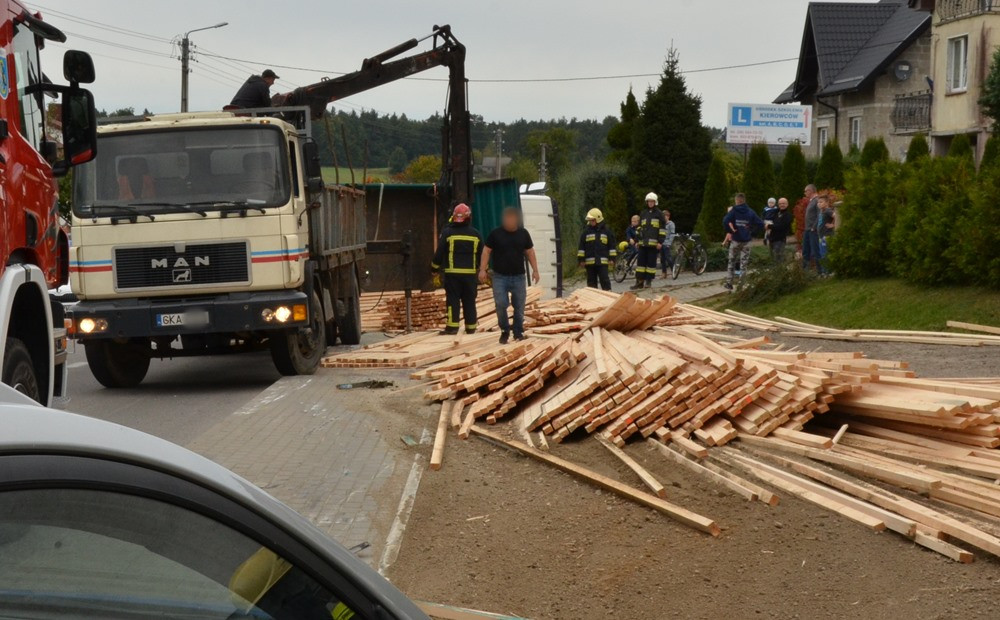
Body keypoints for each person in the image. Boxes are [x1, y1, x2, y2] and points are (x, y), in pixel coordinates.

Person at [480, 207, 540, 344]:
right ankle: (504, 330)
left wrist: (535, 270)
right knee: (501, 304)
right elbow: (486, 251)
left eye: (512, 219)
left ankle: (518, 332)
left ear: (516, 220)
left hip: (519, 277)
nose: (509, 221)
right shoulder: (496, 234)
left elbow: (530, 252)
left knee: (519, 306)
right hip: (500, 277)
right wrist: (482, 269)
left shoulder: (523, 234)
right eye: (507, 218)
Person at [431, 204, 482, 336]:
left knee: (453, 300)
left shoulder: (448, 233)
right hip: (470, 276)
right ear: (468, 217)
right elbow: (482, 254)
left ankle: (452, 328)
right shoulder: (476, 234)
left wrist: (434, 268)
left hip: (453, 274)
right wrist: (483, 270)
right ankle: (471, 327)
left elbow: (439, 253)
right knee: (469, 301)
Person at [722, 193, 764, 290]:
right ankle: (741, 285)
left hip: (735, 240)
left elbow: (725, 221)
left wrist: (730, 231)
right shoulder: (750, 212)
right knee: (743, 264)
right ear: (744, 201)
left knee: (731, 261)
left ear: (737, 201)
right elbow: (760, 224)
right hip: (747, 241)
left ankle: (729, 283)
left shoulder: (733, 211)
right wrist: (752, 233)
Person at [631, 192, 666, 290]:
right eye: (649, 201)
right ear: (647, 202)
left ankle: (648, 282)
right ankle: (639, 282)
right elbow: (640, 228)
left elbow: (662, 229)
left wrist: (660, 242)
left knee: (651, 264)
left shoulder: (659, 214)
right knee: (640, 264)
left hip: (653, 245)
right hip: (642, 244)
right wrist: (637, 240)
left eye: (652, 201)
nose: (650, 203)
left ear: (655, 202)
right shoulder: (643, 213)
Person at [577, 208, 617, 292]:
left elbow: (611, 246)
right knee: (591, 282)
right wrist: (581, 260)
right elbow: (581, 247)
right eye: (590, 220)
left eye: (592, 220)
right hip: (590, 263)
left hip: (602, 263)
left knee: (604, 279)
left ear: (597, 219)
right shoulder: (586, 232)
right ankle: (593, 298)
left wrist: (612, 258)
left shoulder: (607, 232)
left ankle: (608, 295)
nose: (590, 222)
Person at [801, 185, 825, 275]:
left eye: (805, 191)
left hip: (813, 230)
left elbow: (820, 215)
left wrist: (814, 227)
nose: (805, 193)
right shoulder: (811, 201)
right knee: (805, 251)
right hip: (807, 230)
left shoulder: (817, 200)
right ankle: (803, 273)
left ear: (810, 191)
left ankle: (820, 272)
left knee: (815, 251)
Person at [767, 197, 794, 263]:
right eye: (780, 203)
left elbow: (780, 226)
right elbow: (768, 216)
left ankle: (780, 272)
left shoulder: (788, 215)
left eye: (783, 203)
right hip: (772, 239)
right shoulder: (776, 213)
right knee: (773, 260)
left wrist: (769, 226)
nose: (782, 205)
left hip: (780, 240)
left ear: (787, 204)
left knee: (779, 260)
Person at [659, 209, 676, 278]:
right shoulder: (661, 224)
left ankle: (673, 270)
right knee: (662, 259)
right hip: (661, 243)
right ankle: (664, 272)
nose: (664, 218)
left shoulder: (671, 224)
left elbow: (672, 234)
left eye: (665, 216)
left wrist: (669, 243)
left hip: (667, 243)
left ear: (668, 216)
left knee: (668, 258)